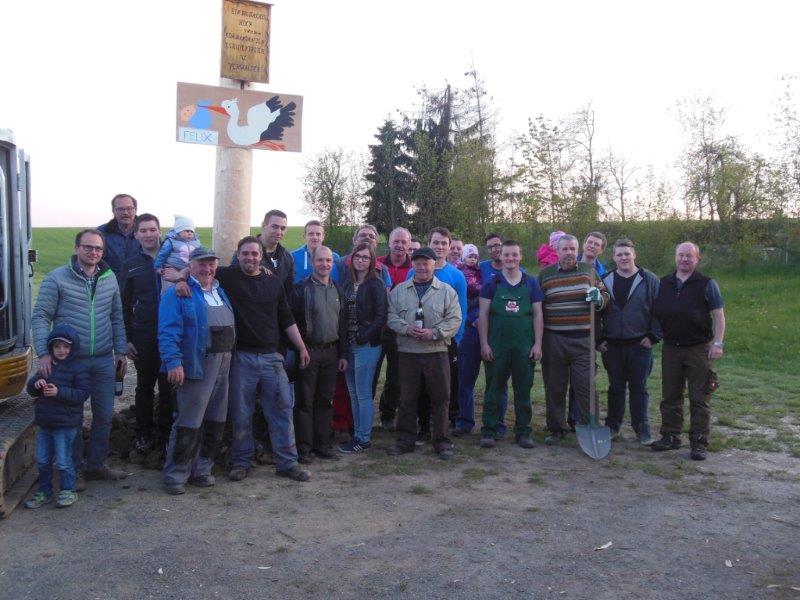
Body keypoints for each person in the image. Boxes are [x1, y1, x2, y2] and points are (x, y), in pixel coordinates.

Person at [210, 237, 312, 482]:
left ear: (261, 257)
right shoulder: (227, 277)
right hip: (241, 358)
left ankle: (287, 463)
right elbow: (199, 270)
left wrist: (301, 347)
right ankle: (241, 462)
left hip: (272, 358)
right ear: (238, 255)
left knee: (281, 411)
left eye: (254, 254)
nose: (250, 258)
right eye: (245, 253)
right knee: (241, 414)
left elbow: (286, 318)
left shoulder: (273, 282)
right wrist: (181, 278)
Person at [32, 229, 129, 484]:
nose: (93, 252)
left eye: (98, 248)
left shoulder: (109, 278)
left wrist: (120, 351)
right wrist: (44, 353)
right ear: (77, 248)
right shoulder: (56, 278)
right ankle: (73, 469)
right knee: (71, 417)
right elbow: (41, 316)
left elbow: (116, 316)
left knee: (104, 415)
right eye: (88, 247)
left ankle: (96, 464)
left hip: (103, 360)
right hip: (70, 362)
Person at [159, 247, 236, 494]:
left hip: (224, 364)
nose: (207, 269)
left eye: (211, 264)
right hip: (197, 364)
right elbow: (168, 331)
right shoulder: (177, 293)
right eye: (202, 264)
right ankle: (176, 475)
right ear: (190, 266)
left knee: (216, 420)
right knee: (188, 422)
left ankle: (202, 470)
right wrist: (173, 362)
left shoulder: (220, 291)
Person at [651, 242, 725, 461]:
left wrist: (718, 343)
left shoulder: (707, 284)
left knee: (699, 397)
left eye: (689, 256)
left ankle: (699, 442)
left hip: (698, 348)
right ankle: (670, 436)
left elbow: (718, 315)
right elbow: (654, 312)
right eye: (681, 255)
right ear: (675, 257)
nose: (684, 259)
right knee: (670, 395)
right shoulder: (663, 283)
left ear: (697, 259)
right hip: (671, 348)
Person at [386, 247, 462, 460]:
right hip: (408, 353)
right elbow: (391, 316)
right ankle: (405, 440)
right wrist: (406, 329)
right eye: (417, 263)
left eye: (426, 263)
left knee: (441, 398)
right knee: (407, 398)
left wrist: (434, 333)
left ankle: (441, 441)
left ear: (433, 264)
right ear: (412, 264)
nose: (421, 267)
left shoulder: (446, 291)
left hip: (436, 352)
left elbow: (455, 319)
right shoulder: (399, 291)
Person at [538, 234, 609, 445]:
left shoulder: (589, 271)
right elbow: (537, 306)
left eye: (572, 249)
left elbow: (605, 297)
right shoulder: (545, 275)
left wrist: (599, 299)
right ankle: (556, 428)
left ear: (577, 250)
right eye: (565, 249)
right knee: (555, 386)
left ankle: (590, 427)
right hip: (554, 339)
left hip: (583, 340)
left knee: (586, 387)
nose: (569, 253)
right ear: (557, 251)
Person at [478, 241, 544, 449]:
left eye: (514, 254)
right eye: (506, 254)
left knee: (523, 390)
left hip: (524, 346)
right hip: (497, 345)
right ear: (501, 256)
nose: (510, 258)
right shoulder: (491, 283)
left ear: (520, 256)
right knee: (493, 389)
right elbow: (483, 315)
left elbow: (538, 314)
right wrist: (484, 344)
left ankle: (523, 432)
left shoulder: (531, 283)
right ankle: (488, 431)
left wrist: (538, 344)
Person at [598, 239, 661, 445]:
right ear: (614, 257)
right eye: (619, 254)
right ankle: (612, 426)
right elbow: (595, 312)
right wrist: (599, 339)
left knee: (639, 388)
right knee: (615, 387)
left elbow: (660, 309)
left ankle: (642, 428)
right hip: (612, 345)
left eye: (627, 253)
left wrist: (653, 336)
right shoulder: (604, 280)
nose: (624, 257)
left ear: (634, 255)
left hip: (639, 345)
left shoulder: (649, 279)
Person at [120, 214, 174, 455]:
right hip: (144, 336)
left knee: (169, 387)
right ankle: (143, 434)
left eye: (153, 229)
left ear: (160, 231)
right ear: (136, 235)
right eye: (143, 230)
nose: (149, 234)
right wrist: (126, 338)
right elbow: (123, 304)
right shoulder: (131, 265)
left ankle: (166, 435)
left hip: (171, 335)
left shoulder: (173, 260)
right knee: (144, 386)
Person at [406, 227, 468, 434]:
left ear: (449, 247)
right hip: (419, 340)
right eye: (436, 242)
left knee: (445, 384)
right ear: (429, 244)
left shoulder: (457, 276)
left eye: (444, 243)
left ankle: (448, 422)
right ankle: (423, 425)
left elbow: (461, 311)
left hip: (446, 341)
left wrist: (456, 338)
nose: (440, 247)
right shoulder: (413, 272)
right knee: (422, 385)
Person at [290, 246, 348, 462]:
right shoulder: (300, 290)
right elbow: (292, 322)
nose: (325, 264)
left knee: (325, 400)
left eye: (328, 261)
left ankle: (322, 444)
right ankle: (304, 448)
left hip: (331, 352)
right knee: (305, 401)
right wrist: (300, 348)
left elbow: (342, 324)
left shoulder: (338, 290)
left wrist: (343, 354)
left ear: (333, 263)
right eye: (320, 260)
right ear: (313, 262)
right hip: (309, 351)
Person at [24, 325, 90, 509]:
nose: (61, 350)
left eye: (66, 346)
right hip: (45, 423)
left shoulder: (78, 368)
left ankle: (68, 490)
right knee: (42, 460)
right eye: (57, 346)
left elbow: (82, 394)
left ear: (73, 347)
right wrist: (36, 384)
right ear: (51, 347)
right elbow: (30, 389)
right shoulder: (46, 366)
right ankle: (44, 491)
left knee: (63, 460)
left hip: (65, 424)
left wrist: (58, 392)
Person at [340, 243, 387, 453]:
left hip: (366, 345)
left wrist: (363, 337)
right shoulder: (347, 284)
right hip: (348, 345)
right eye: (357, 256)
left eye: (365, 257)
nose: (361, 260)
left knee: (363, 393)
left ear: (372, 261)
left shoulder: (376, 284)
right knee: (353, 392)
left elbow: (381, 316)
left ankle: (364, 438)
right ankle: (357, 434)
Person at [375, 227, 412, 431]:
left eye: (403, 242)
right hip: (377, 329)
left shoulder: (414, 268)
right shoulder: (377, 264)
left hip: (400, 331)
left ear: (409, 245)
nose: (399, 245)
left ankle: (387, 414)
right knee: (371, 374)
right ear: (389, 243)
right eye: (396, 241)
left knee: (396, 375)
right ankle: (362, 417)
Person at [452, 243, 483, 436]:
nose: (472, 259)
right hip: (468, 329)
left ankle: (494, 424)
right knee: (465, 377)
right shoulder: (459, 274)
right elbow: (461, 302)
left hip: (486, 329)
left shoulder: (482, 271)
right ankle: (464, 420)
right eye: (469, 256)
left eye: (475, 256)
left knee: (497, 381)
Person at [232, 209, 294, 293]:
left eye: (282, 228)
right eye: (274, 227)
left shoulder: (287, 257)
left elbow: (288, 289)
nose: (279, 232)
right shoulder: (245, 253)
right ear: (263, 226)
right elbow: (235, 280)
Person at [97, 193, 141, 279]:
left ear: (135, 210)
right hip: (109, 282)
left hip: (140, 282)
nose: (125, 212)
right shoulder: (101, 233)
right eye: (120, 209)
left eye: (129, 208)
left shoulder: (146, 231)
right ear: (113, 211)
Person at [154, 215, 202, 292]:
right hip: (172, 268)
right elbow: (162, 254)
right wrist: (158, 267)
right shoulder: (171, 241)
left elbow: (201, 254)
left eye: (191, 231)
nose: (189, 233)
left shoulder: (196, 243)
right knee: (170, 290)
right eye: (186, 231)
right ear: (178, 231)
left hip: (188, 271)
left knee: (189, 290)